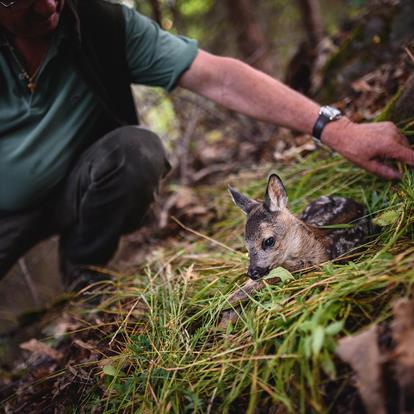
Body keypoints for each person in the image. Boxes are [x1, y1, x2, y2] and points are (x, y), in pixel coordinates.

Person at [0, 0, 413, 289]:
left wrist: (339, 130)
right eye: (20, 0)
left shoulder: (98, 24)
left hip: (80, 183)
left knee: (136, 150)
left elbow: (220, 77)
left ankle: (83, 273)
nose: (49, 4)